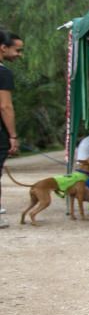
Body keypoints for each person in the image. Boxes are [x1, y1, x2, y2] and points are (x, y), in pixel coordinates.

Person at [0, 29, 24, 229]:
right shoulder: (3, 72)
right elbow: (5, 106)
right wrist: (12, 135)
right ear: (3, 48)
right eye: (17, 50)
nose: (19, 55)